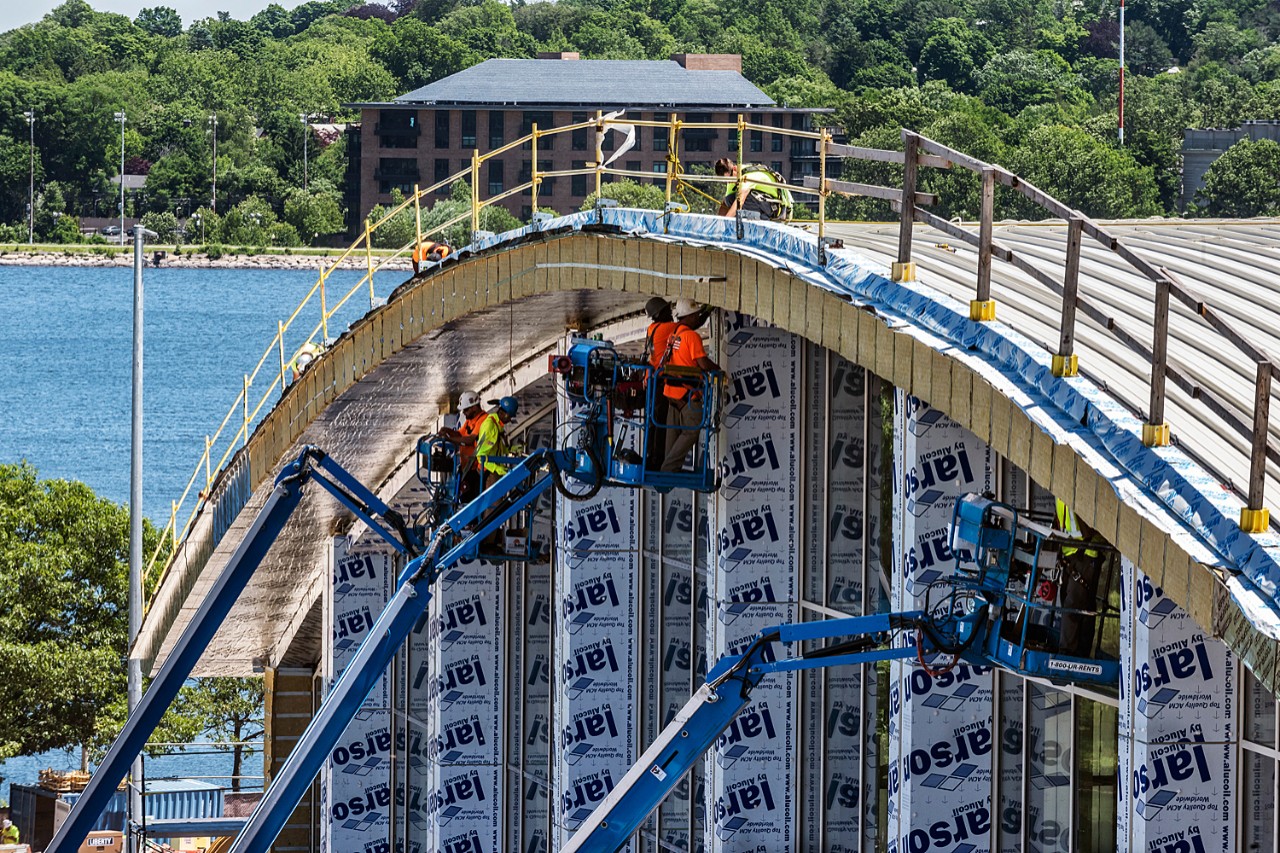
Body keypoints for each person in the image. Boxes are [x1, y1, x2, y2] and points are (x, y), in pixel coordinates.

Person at [661, 299, 720, 473]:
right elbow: (703, 363)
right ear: (689, 316)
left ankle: (667, 468)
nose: (697, 319)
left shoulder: (674, 335)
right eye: (695, 315)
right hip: (687, 394)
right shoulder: (691, 336)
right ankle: (668, 469)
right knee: (692, 431)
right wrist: (719, 371)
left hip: (672, 393)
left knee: (673, 434)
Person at [1055, 498, 1105, 657]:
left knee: (1073, 605)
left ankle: (1068, 654)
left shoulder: (1078, 486)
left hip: (1086, 552)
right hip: (1072, 553)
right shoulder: (1061, 488)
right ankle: (1079, 651)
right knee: (1077, 604)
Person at [643, 297, 677, 470]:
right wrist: (706, 311)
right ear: (658, 314)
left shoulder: (652, 328)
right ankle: (657, 458)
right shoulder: (666, 328)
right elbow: (688, 325)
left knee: (654, 419)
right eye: (667, 311)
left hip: (652, 379)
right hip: (659, 381)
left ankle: (652, 456)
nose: (670, 313)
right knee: (659, 419)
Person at [438, 391, 486, 502]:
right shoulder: (470, 421)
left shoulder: (483, 420)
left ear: (474, 407)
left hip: (476, 469)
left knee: (471, 501)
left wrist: (449, 439)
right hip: (467, 468)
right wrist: (448, 431)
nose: (464, 413)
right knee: (464, 498)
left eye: (466, 409)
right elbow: (460, 434)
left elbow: (470, 440)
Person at [715, 158, 793, 221]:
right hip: (764, 202)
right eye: (726, 181)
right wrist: (718, 225)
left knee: (745, 196)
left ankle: (763, 221)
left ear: (735, 169)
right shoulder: (733, 178)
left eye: (730, 178)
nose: (729, 182)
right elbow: (725, 204)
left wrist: (726, 221)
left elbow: (740, 200)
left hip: (777, 207)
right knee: (729, 199)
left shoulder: (748, 176)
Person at [476, 396, 519, 486]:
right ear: (502, 413)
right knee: (495, 500)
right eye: (509, 416)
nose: (510, 419)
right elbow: (480, 456)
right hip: (488, 471)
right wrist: (496, 468)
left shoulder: (498, 426)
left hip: (494, 469)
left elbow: (496, 448)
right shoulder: (490, 427)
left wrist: (510, 449)